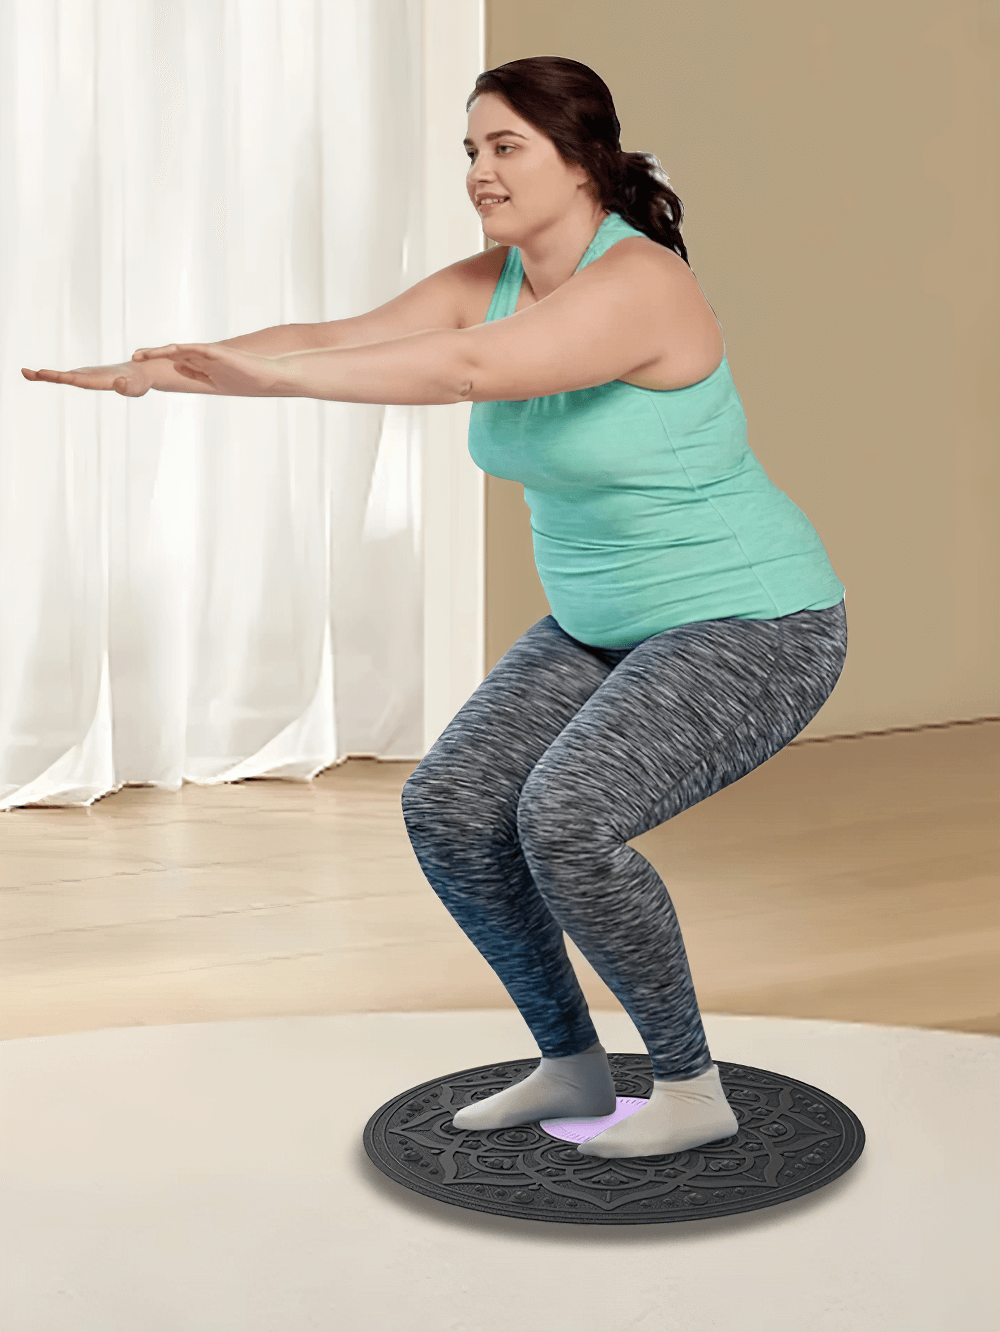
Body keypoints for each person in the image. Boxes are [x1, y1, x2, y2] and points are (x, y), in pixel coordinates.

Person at [22, 56, 848, 1160]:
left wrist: (272, 380)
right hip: (601, 625)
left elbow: (462, 369)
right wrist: (161, 371)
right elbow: (342, 338)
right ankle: (571, 1061)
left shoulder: (641, 284)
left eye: (506, 147)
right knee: (452, 808)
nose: (479, 171)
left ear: (581, 159)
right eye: (471, 150)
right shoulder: (494, 277)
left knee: (566, 820)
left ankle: (693, 1087)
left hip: (751, 622)